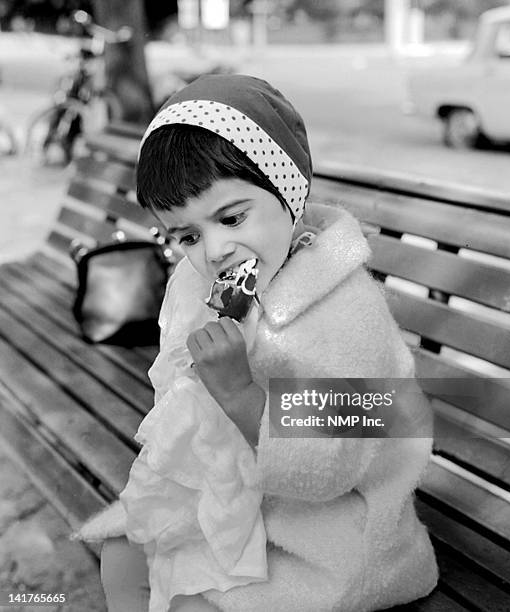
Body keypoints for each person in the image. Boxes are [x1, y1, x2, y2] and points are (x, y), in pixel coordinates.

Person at [76, 74, 438, 612]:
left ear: (288, 191)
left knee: (188, 604)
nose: (215, 249)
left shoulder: (346, 312)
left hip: (329, 536)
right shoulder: (202, 285)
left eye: (231, 217)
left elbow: (335, 464)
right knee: (121, 556)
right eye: (188, 236)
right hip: (234, 503)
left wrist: (241, 393)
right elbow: (181, 403)